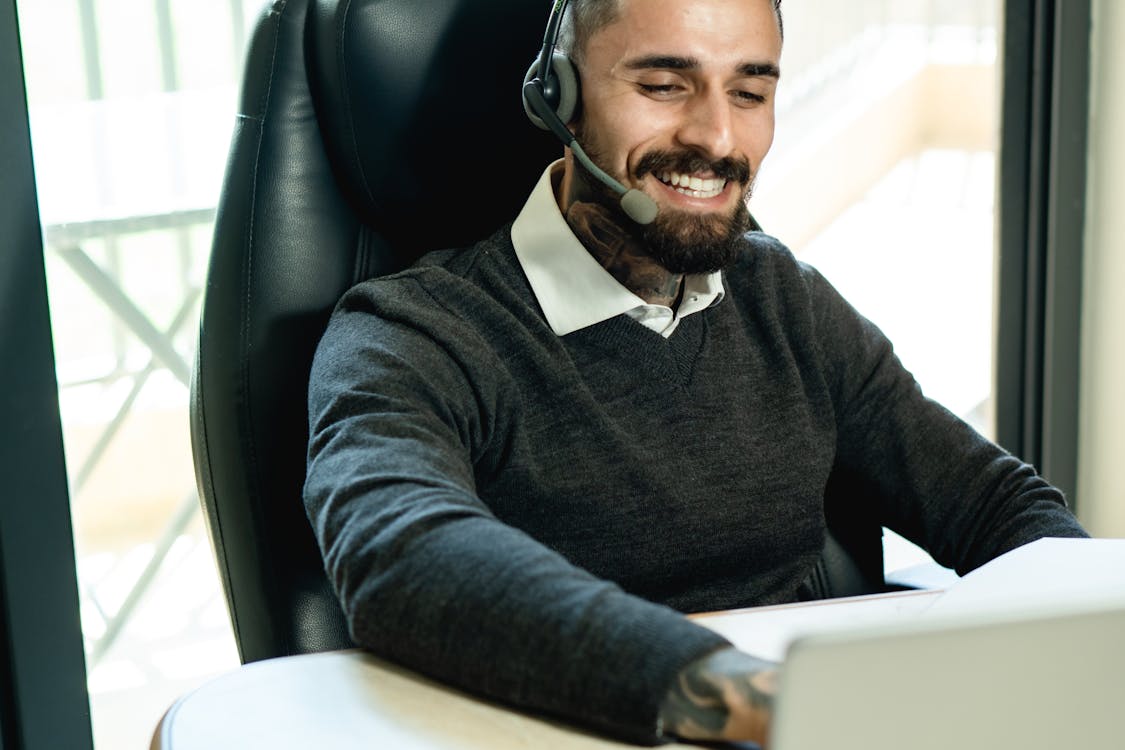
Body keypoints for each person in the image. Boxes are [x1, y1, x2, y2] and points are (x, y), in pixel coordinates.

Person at [303, 0, 1087, 746]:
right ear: (557, 96)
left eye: (749, 91)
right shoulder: (416, 332)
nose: (716, 137)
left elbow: (996, 505)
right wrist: (754, 701)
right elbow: (399, 553)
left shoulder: (781, 297)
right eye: (662, 85)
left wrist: (1083, 652)